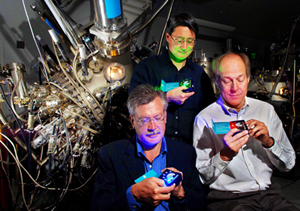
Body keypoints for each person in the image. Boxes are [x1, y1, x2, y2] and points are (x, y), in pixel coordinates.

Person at [193, 52, 298, 211]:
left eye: (240, 79)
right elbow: (202, 176)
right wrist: (225, 155)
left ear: (249, 79)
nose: (235, 87)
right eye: (227, 80)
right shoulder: (204, 119)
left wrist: (269, 142)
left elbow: (288, 165)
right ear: (217, 82)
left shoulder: (266, 110)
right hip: (229, 199)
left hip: (269, 196)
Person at [91, 84, 207, 211]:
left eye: (157, 118)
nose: (152, 127)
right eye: (144, 120)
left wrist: (181, 193)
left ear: (165, 117)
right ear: (132, 121)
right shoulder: (111, 155)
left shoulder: (185, 152)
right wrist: (134, 195)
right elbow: (98, 208)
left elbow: (201, 203)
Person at [129, 13, 215, 145]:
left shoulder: (199, 74)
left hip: (188, 148)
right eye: (179, 40)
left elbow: (209, 111)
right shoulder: (147, 67)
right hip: (154, 147)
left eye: (190, 41)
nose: (184, 46)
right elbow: (134, 104)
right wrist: (165, 97)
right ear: (168, 37)